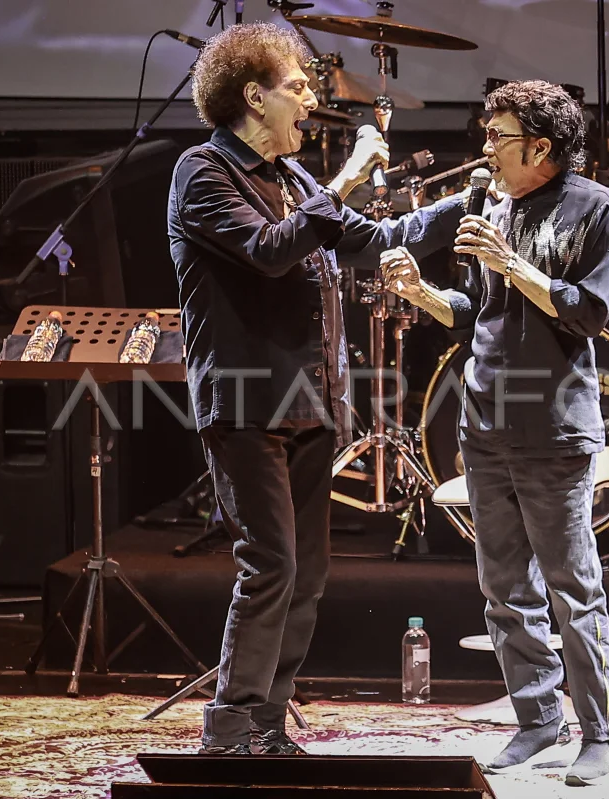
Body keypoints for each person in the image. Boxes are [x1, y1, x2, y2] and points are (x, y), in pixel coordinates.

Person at [168, 22, 467, 756]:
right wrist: (345, 180)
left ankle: (268, 726)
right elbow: (270, 251)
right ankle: (228, 729)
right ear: (254, 96)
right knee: (270, 565)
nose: (312, 100)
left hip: (312, 402)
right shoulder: (202, 172)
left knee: (307, 575)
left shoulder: (295, 181)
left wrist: (471, 200)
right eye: (299, 86)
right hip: (246, 401)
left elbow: (374, 239)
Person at [381, 80, 609, 787]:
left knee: (572, 588)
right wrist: (422, 294)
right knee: (504, 588)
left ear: (540, 147)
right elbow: (475, 313)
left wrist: (511, 263)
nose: (485, 147)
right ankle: (538, 718)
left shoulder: (598, 207)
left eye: (498, 136)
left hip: (555, 425)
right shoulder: (492, 205)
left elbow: (588, 313)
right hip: (484, 421)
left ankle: (599, 733)